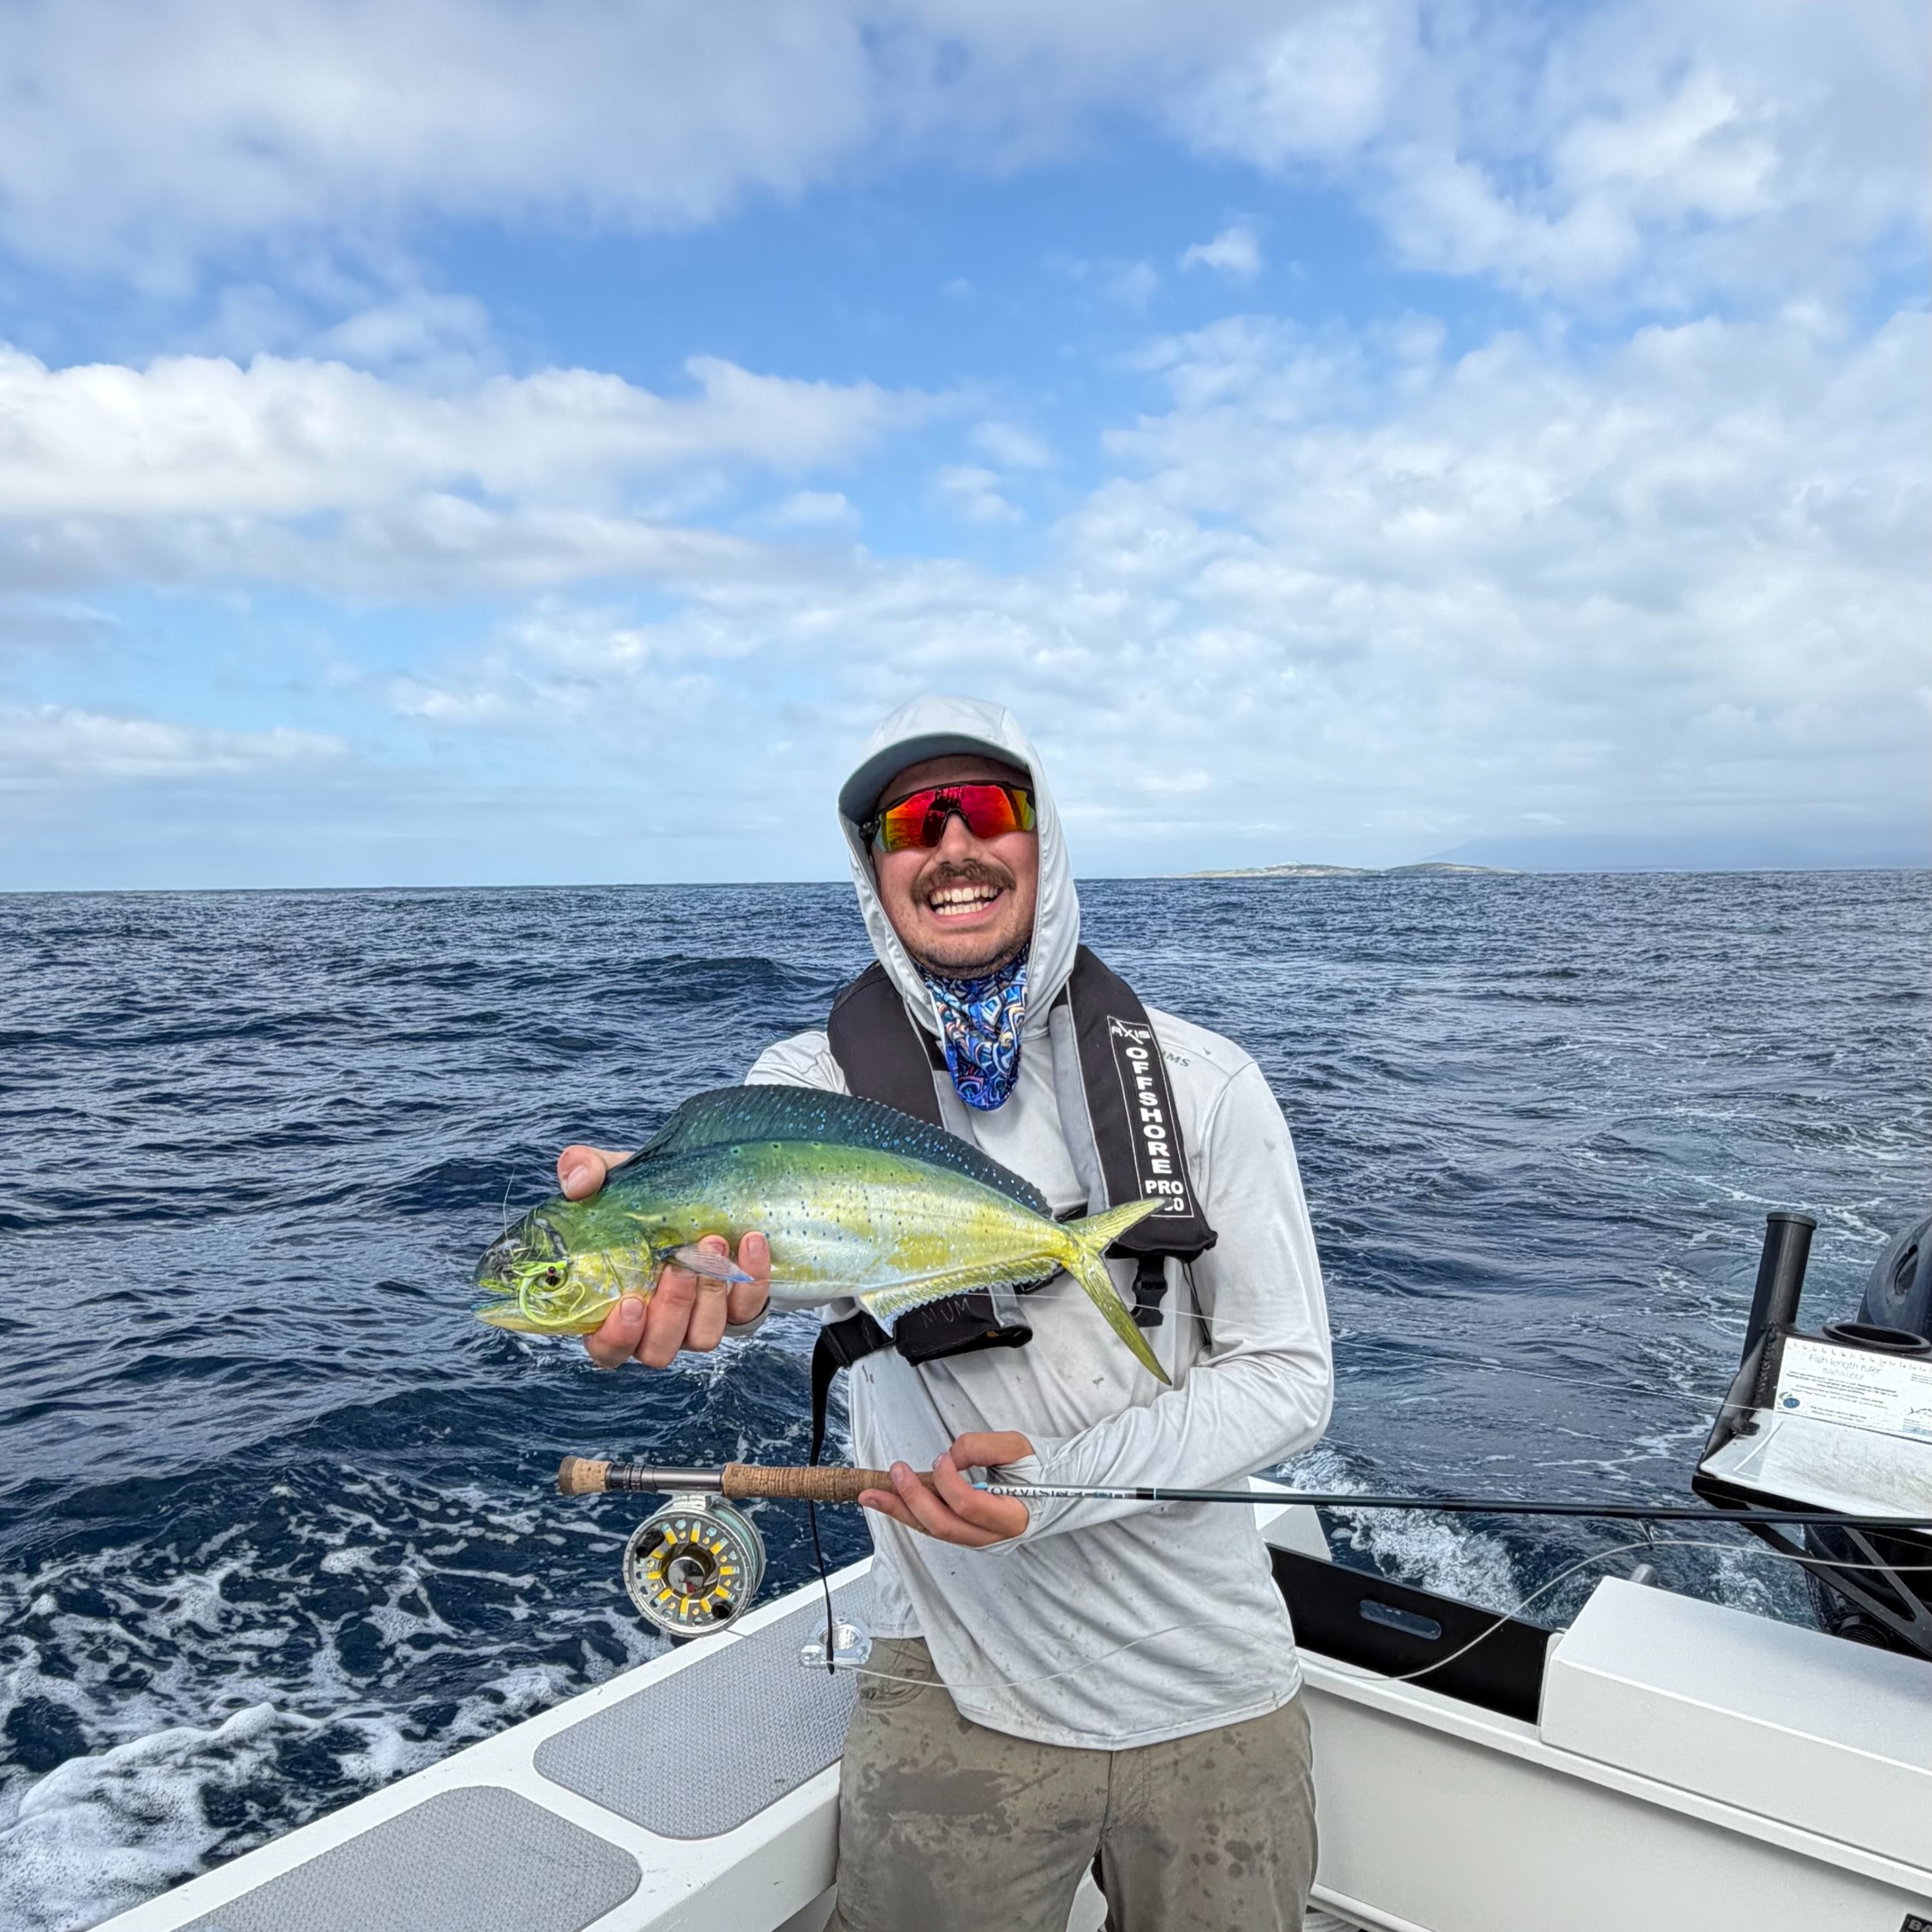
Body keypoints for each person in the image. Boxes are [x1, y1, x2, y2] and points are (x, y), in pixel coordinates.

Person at [558, 696, 1333, 1932]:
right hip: (950, 1681)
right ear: (874, 866)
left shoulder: (1205, 1082)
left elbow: (1290, 1375)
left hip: (1212, 1687)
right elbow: (765, 1271)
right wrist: (663, 1277)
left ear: (1044, 837)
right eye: (913, 821)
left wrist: (1060, 1487)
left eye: (989, 809)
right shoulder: (795, 1091)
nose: (954, 845)